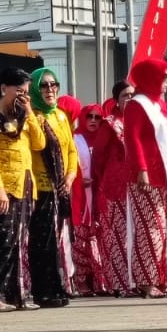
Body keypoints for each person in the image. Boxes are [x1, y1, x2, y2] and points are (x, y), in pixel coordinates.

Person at [0, 68, 43, 312]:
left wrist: (30, 113)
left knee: (18, 243)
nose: (22, 97)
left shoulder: (22, 117)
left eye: (26, 93)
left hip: (24, 185)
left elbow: (39, 143)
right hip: (0, 188)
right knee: (0, 243)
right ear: (4, 88)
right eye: (18, 91)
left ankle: (15, 295)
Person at [123, 58, 167, 299]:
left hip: (166, 176)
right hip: (147, 177)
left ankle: (162, 279)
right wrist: (141, 169)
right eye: (162, 78)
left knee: (163, 230)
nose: (166, 83)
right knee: (149, 230)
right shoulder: (137, 105)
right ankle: (146, 281)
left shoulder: (160, 105)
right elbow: (132, 139)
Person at [25, 68, 76, 308]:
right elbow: (37, 145)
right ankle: (42, 290)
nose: (50, 90)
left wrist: (70, 177)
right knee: (41, 241)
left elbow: (72, 151)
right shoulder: (31, 117)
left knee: (55, 241)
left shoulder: (61, 116)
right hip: (40, 187)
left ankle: (56, 286)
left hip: (60, 187)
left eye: (53, 84)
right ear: (35, 89)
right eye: (44, 86)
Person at [91, 81, 136, 296]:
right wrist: (106, 180)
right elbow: (98, 158)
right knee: (118, 236)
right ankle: (119, 283)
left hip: (137, 185)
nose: (130, 99)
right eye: (126, 95)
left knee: (135, 235)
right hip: (114, 186)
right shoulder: (109, 124)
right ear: (116, 100)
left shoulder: (139, 122)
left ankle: (135, 281)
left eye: (133, 95)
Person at [69, 100, 108, 297]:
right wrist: (79, 180)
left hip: (100, 195)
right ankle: (82, 280)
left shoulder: (104, 138)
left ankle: (100, 279)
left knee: (99, 237)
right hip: (81, 197)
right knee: (81, 239)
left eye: (97, 117)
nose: (93, 120)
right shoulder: (75, 139)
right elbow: (70, 166)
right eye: (89, 116)